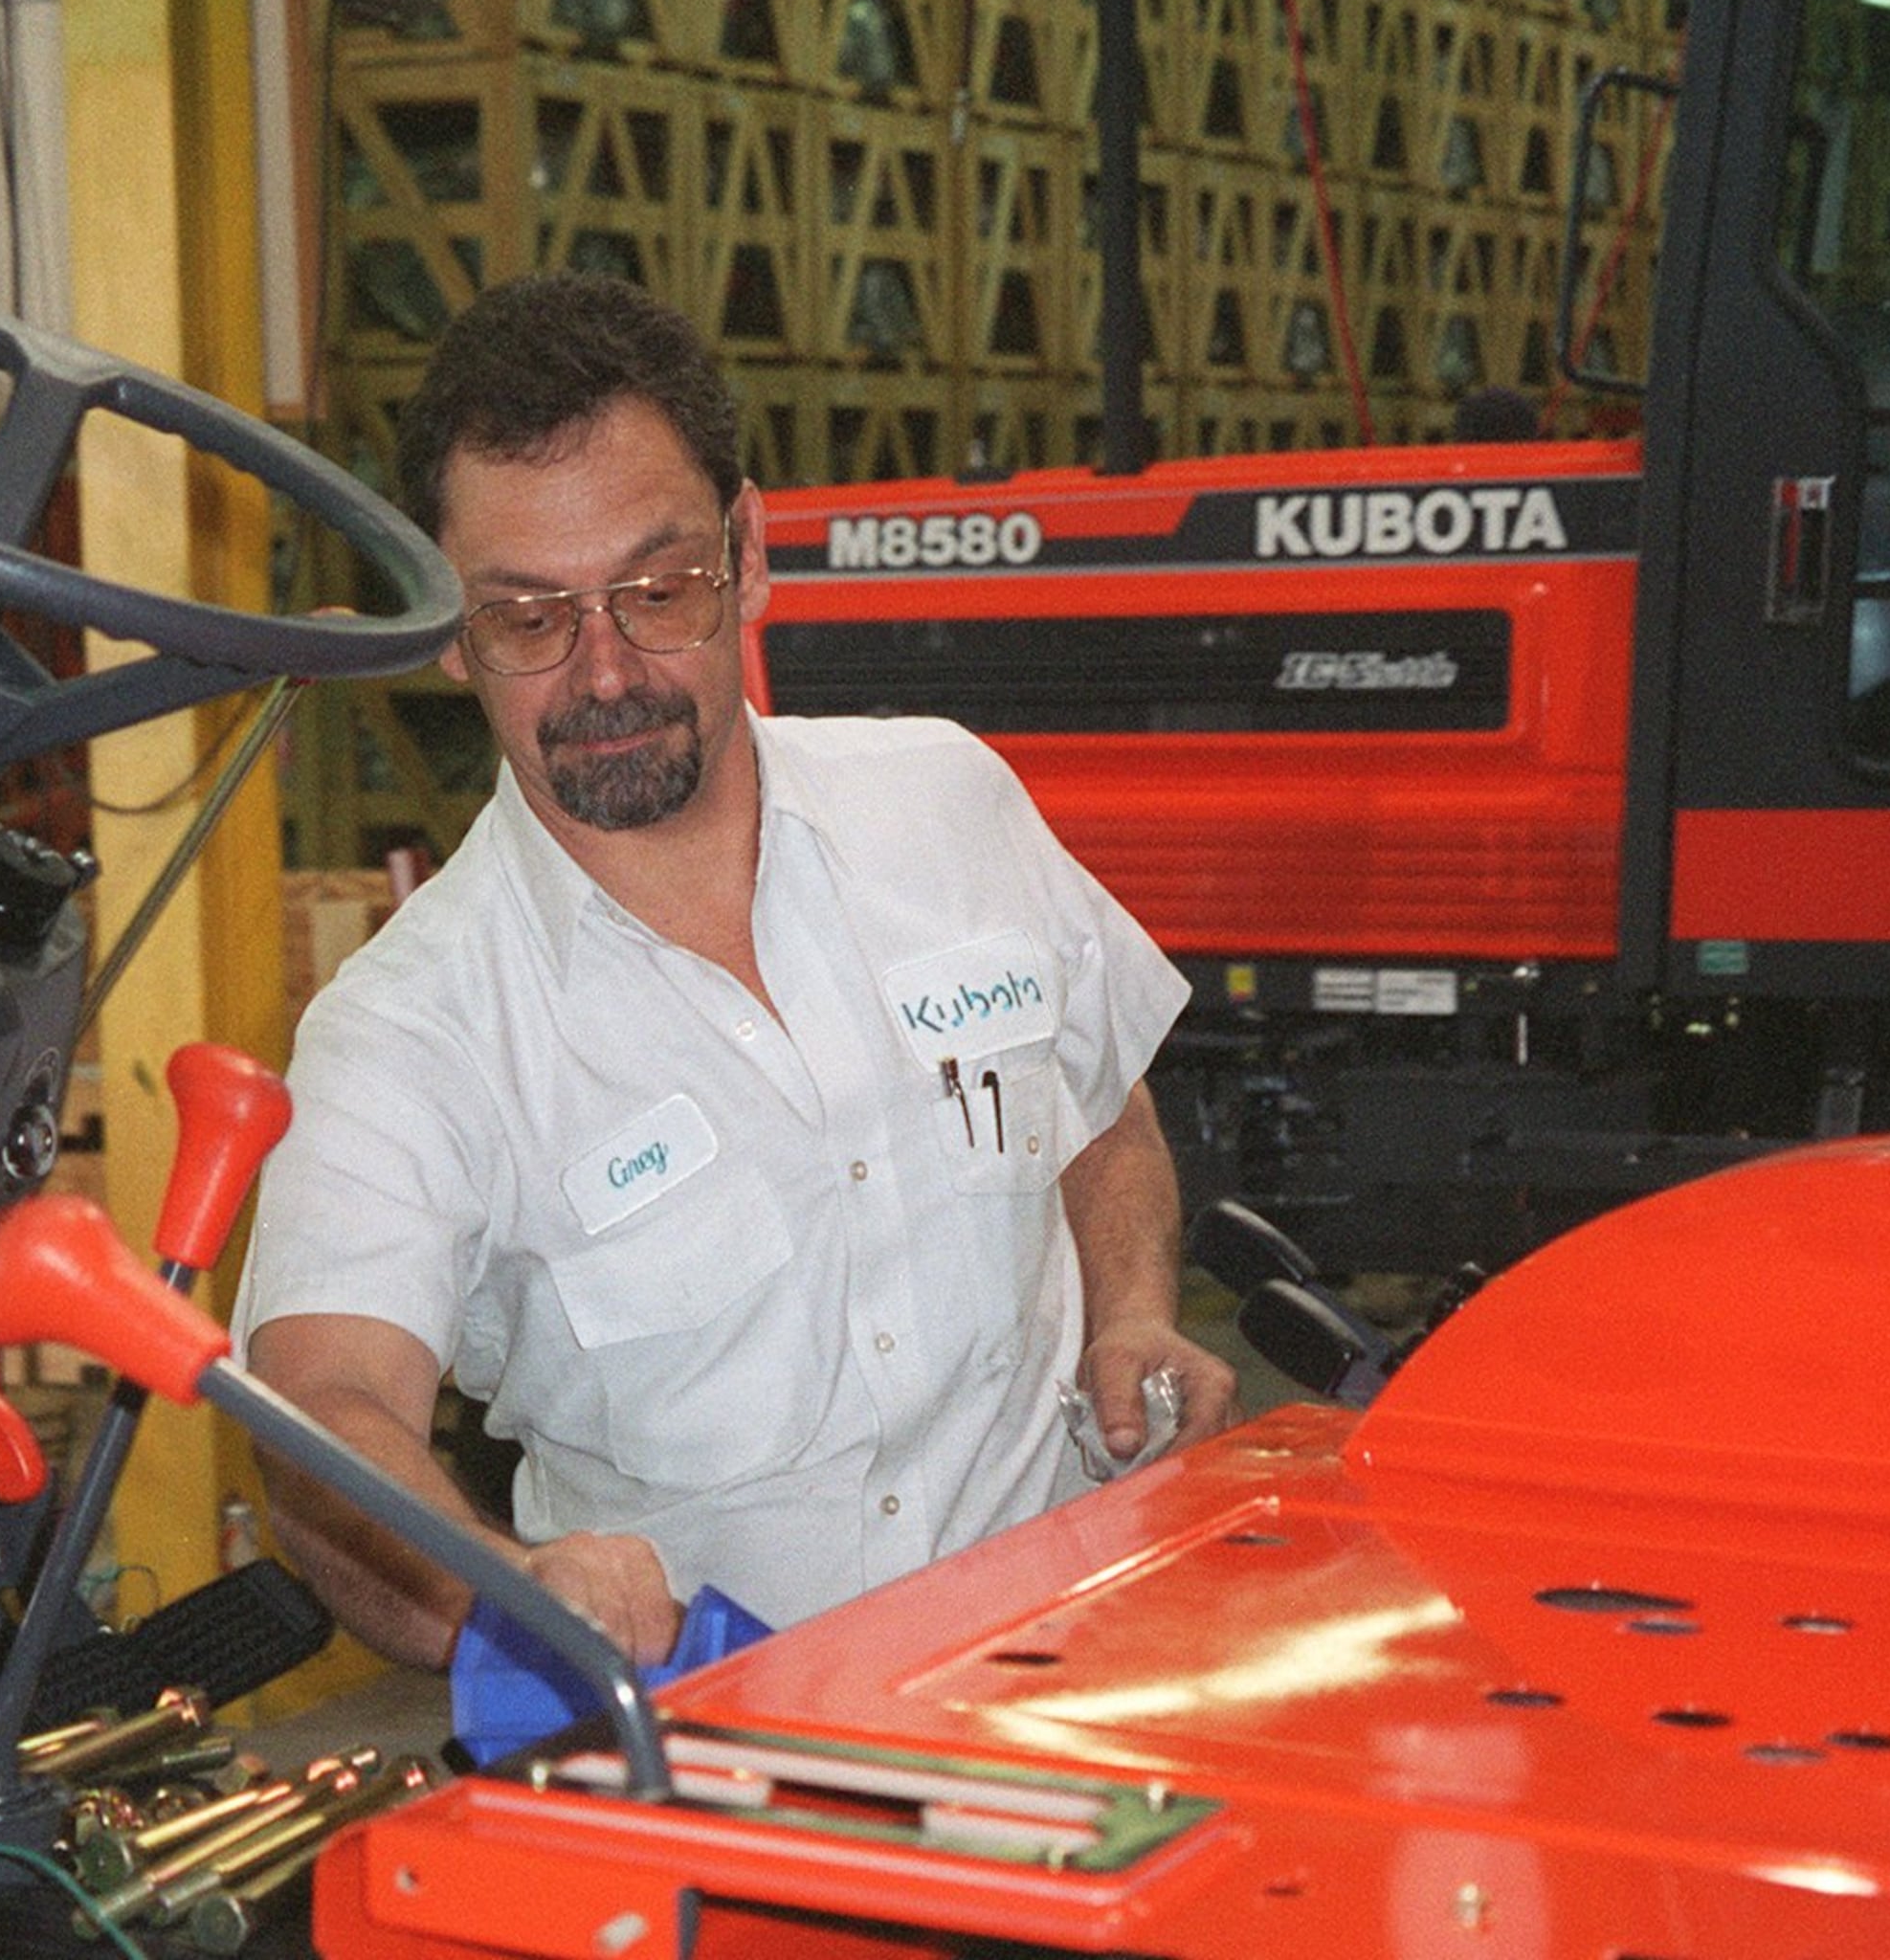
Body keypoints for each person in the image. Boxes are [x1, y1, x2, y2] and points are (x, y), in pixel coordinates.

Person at [233, 273, 1235, 1670]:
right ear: (450, 634)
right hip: (724, 1774)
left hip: (1079, 1681)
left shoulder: (948, 804)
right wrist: (513, 1594)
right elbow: (323, 1417)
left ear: (749, 553)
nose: (603, 675)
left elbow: (1099, 1110)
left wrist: (1131, 1316)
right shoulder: (412, 1034)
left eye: (657, 592)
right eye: (528, 617)